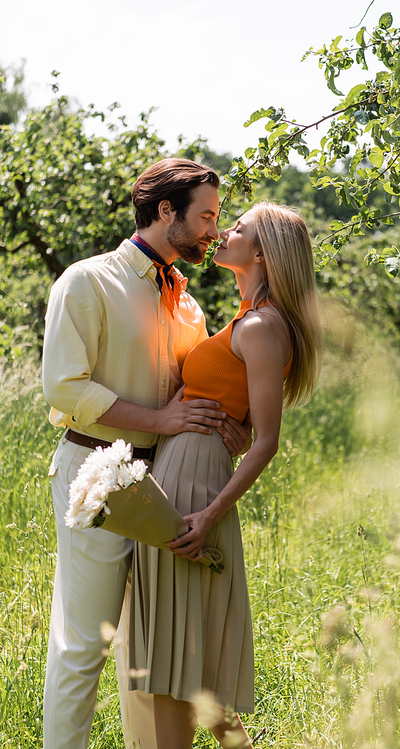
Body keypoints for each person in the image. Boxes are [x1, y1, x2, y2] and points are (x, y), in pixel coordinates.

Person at [41, 158, 250, 749]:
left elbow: (198, 393)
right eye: (206, 215)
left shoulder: (190, 306)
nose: (215, 228)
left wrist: (228, 427)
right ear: (166, 211)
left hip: (170, 485)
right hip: (97, 477)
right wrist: (159, 419)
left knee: (148, 648)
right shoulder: (87, 282)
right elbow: (65, 388)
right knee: (85, 642)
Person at [129, 202, 323, 749]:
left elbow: (267, 442)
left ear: (261, 252)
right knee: (183, 656)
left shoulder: (262, 326)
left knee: (177, 658)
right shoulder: (243, 320)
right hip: (181, 469)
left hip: (197, 489)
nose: (223, 231)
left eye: (238, 227)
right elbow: (234, 412)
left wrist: (211, 513)